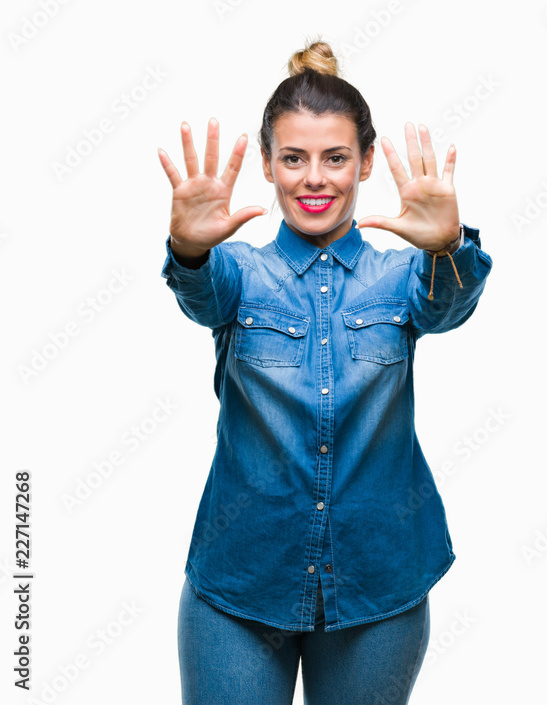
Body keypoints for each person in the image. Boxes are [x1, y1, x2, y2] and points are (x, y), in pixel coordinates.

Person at [157, 37, 493, 705]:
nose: (315, 178)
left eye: (335, 157)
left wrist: (449, 247)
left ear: (365, 162)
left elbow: (448, 305)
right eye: (294, 158)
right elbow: (200, 293)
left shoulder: (401, 276)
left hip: (378, 588)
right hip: (240, 587)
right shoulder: (240, 273)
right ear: (268, 164)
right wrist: (189, 249)